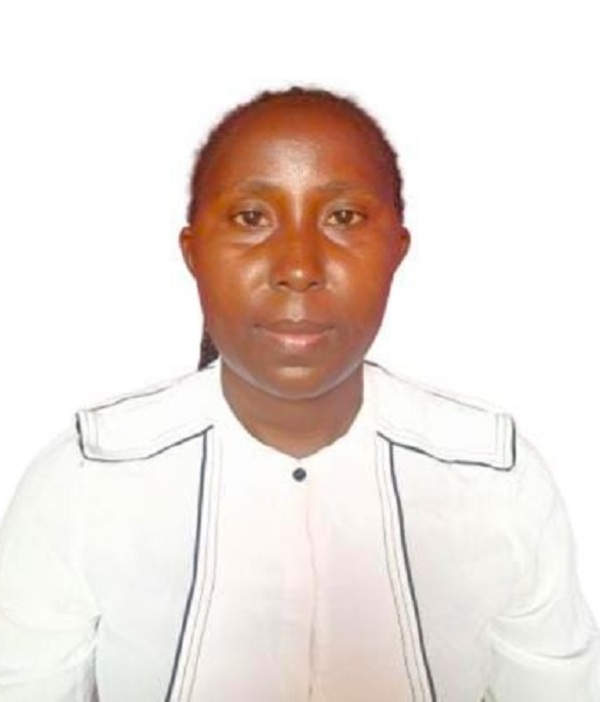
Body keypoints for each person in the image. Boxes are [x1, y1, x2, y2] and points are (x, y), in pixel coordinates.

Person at [0, 87, 598, 702]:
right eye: (250, 218)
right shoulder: (83, 482)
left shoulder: (496, 481)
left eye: (344, 217)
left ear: (397, 250)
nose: (298, 267)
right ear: (193, 253)